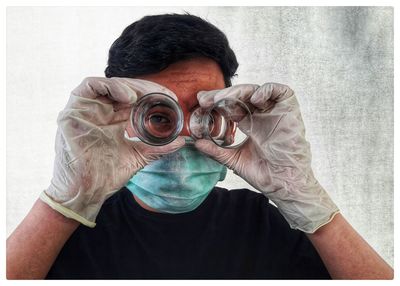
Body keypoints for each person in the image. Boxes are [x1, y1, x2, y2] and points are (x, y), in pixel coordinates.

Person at [6, 13, 393, 279]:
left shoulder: (259, 221)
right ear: (121, 117)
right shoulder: (71, 229)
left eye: (204, 115)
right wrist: (67, 201)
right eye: (162, 116)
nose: (186, 136)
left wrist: (305, 197)